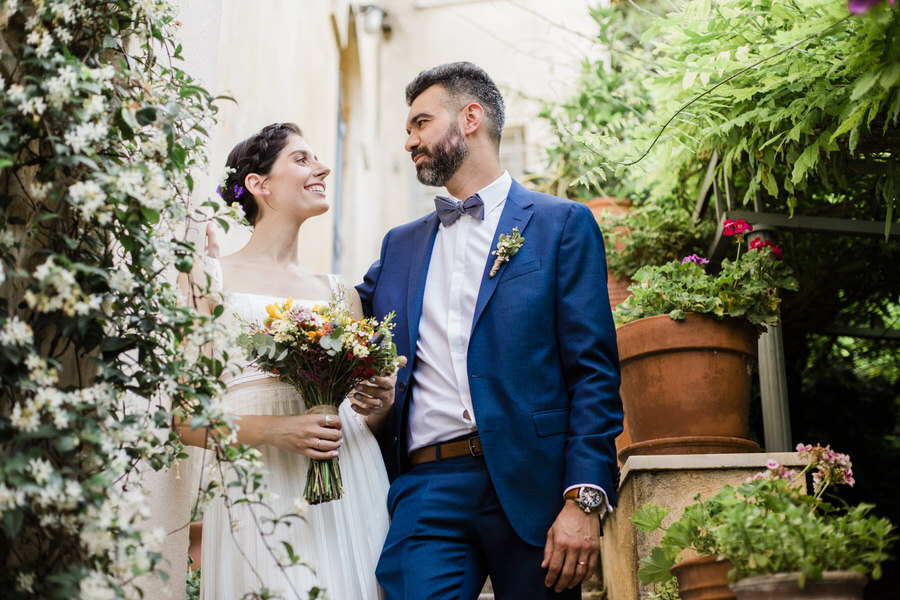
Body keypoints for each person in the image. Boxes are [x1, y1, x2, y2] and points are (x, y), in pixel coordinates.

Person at [356, 62, 623, 600]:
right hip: (426, 488)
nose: (409, 140)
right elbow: (333, 317)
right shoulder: (399, 246)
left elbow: (593, 372)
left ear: (470, 118)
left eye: (420, 123)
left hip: (537, 485)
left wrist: (584, 498)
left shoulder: (561, 224)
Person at [179, 123, 396, 600]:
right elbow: (183, 420)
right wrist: (275, 431)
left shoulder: (341, 293)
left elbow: (364, 422)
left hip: (350, 480)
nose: (322, 167)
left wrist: (379, 402)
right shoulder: (207, 278)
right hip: (261, 483)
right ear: (260, 185)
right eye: (301, 159)